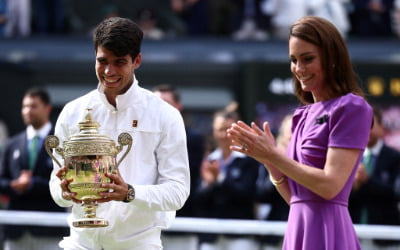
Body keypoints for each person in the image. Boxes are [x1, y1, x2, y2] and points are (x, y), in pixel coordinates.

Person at [227, 16, 373, 250]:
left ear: (332, 58)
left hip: (330, 230)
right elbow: (296, 198)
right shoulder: (301, 115)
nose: (299, 68)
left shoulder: (352, 108)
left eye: (308, 59)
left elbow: (329, 186)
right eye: (293, 60)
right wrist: (268, 160)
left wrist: (275, 156)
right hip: (297, 227)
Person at [48, 17, 190, 250]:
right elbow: (56, 183)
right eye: (102, 61)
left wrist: (129, 193)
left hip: (139, 245)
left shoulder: (165, 115)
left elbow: (177, 192)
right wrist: (64, 191)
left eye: (119, 62)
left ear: (137, 61)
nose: (109, 71)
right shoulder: (71, 112)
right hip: (80, 243)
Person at [0, 87, 68, 250]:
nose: (27, 111)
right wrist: (14, 185)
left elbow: (67, 183)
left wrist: (32, 184)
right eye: (25, 106)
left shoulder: (61, 144)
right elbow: (2, 180)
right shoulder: (12, 144)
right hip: (16, 231)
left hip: (50, 230)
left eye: (33, 106)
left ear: (47, 108)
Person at [196, 106, 260, 250]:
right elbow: (198, 200)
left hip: (241, 235)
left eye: (228, 130)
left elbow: (246, 195)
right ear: (213, 131)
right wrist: (208, 184)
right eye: (220, 129)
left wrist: (220, 178)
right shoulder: (209, 160)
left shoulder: (249, 160)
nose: (224, 135)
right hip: (212, 236)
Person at [153, 84, 205, 250]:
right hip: (146, 221)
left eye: (165, 103)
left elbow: (183, 177)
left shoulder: (194, 138)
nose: (160, 108)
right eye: (155, 103)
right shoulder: (140, 136)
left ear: (178, 107)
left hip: (182, 220)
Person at [349, 105, 400, 250]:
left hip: (385, 237)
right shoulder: (347, 157)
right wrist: (353, 187)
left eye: (370, 124)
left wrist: (367, 181)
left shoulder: (395, 157)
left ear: (382, 127)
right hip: (353, 234)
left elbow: (396, 192)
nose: (364, 130)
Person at [255, 114, 291, 250]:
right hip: (275, 230)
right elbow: (261, 194)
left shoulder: (312, 156)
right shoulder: (271, 155)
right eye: (291, 131)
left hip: (305, 228)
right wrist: (276, 164)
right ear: (283, 133)